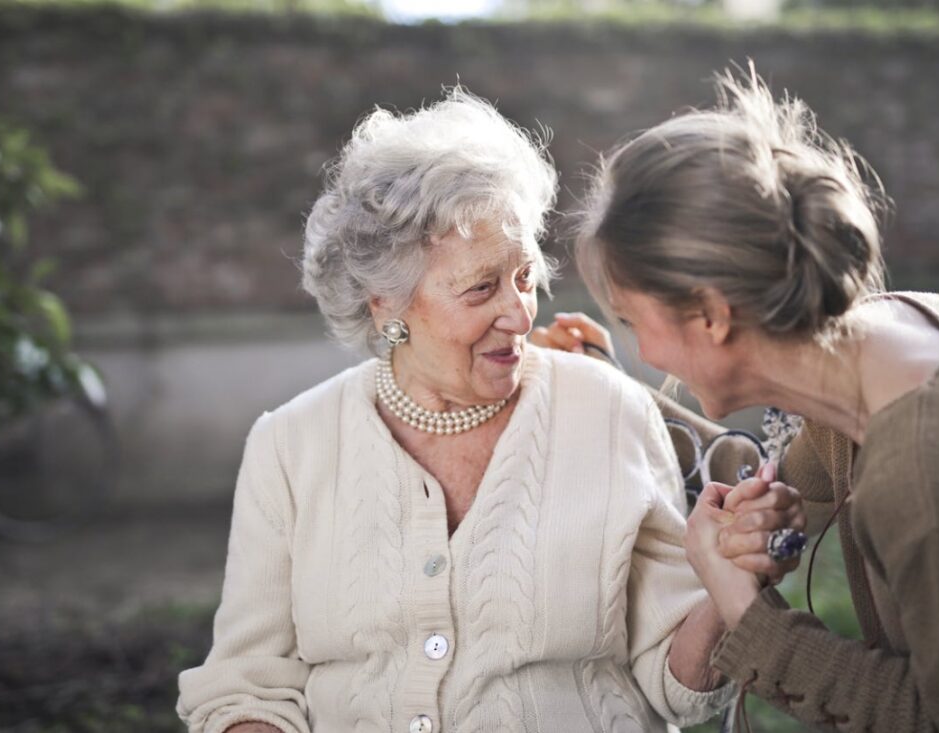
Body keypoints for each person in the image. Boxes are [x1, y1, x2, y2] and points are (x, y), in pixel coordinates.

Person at [175, 89, 803, 733]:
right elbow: (246, 686)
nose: (520, 313)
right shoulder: (289, 445)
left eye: (525, 277)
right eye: (481, 288)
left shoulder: (607, 410)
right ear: (384, 304)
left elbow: (679, 686)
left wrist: (726, 582)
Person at [547, 67, 939, 731]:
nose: (646, 352)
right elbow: (767, 479)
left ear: (710, 315)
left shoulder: (926, 480)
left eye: (633, 321)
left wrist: (749, 615)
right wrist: (603, 384)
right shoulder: (893, 337)